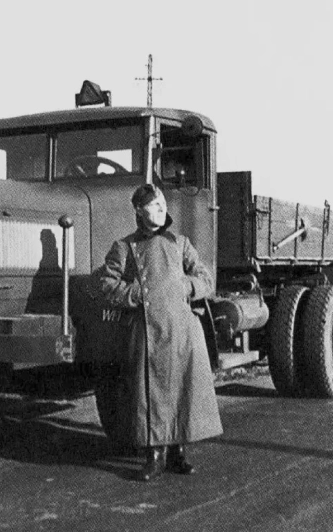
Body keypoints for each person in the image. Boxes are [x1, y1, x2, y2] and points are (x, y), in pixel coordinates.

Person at [100, 183, 223, 481]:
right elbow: (106, 284)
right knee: (150, 393)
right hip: (147, 331)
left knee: (182, 389)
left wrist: (187, 286)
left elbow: (205, 278)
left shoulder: (180, 243)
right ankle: (154, 456)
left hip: (182, 330)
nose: (162, 208)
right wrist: (138, 293)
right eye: (155, 205)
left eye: (163, 204)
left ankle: (178, 453)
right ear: (139, 211)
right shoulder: (124, 247)